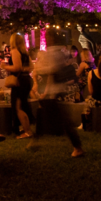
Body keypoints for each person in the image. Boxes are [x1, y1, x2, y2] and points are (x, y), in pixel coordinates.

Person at [34, 29, 85, 157]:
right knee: (42, 114)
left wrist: (39, 69)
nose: (46, 39)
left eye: (47, 36)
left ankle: (77, 147)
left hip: (54, 91)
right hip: (53, 90)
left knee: (63, 120)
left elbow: (53, 70)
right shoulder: (57, 51)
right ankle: (35, 141)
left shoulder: (55, 52)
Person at [1, 33, 33, 138]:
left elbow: (16, 67)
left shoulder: (14, 51)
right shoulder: (25, 52)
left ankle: (27, 131)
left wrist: (5, 66)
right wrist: (24, 69)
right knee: (23, 105)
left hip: (19, 81)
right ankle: (26, 129)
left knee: (18, 107)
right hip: (27, 79)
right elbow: (31, 67)